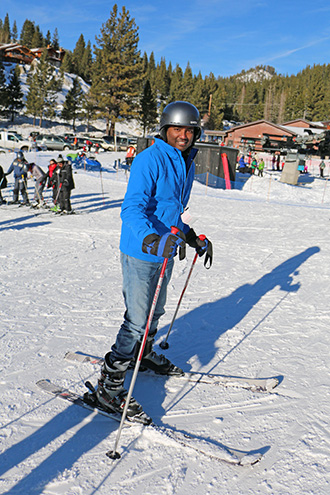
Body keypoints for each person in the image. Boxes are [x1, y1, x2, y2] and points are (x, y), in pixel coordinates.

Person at [90, 101, 213, 424]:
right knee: (136, 319)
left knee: (155, 311)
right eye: (177, 129)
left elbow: (169, 210)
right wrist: (151, 239)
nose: (183, 135)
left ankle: (141, 356)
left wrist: (190, 236)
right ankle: (109, 385)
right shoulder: (150, 160)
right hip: (141, 250)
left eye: (189, 130)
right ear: (165, 130)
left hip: (165, 248)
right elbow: (132, 209)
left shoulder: (186, 161)